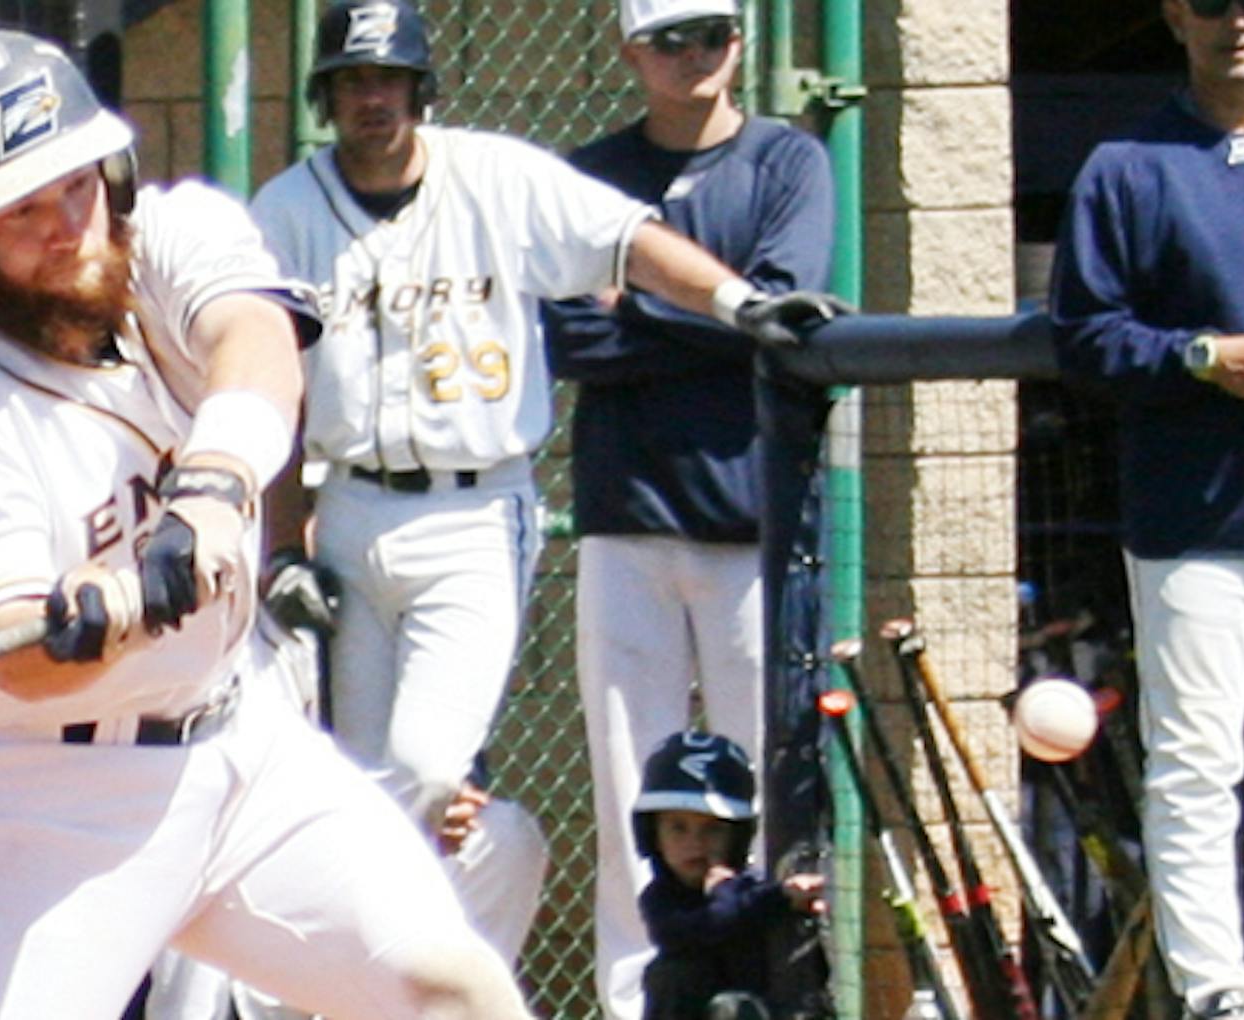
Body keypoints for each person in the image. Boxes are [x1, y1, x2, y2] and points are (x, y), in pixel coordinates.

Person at [0, 28, 535, 1020]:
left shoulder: (166, 234)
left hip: (245, 749)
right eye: (22, 210)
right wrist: (95, 616)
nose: (69, 225)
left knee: (451, 991)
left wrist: (214, 487)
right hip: (51, 800)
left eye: (76, 183)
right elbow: (9, 660)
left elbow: (254, 337)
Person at [246, 0, 846, 964]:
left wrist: (739, 303)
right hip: (351, 501)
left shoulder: (493, 174)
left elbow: (631, 248)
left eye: (390, 79)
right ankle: (394, 984)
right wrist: (282, 541)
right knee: (366, 788)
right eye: (354, 81)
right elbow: (269, 384)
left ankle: (429, 975)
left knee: (427, 766)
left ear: (421, 88)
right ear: (326, 95)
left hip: (475, 504)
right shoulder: (285, 209)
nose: (373, 98)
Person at [536, 0, 835, 1013]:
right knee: (631, 786)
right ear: (628, 50)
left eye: (709, 33)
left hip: (750, 523)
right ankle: (639, 1000)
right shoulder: (587, 173)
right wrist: (719, 307)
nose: (692, 56)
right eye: (668, 39)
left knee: (767, 782)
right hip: (624, 516)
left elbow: (783, 308)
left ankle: (770, 989)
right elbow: (569, 336)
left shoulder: (787, 162)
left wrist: (642, 308)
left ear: (738, 40)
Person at [1046, 0, 1244, 1013]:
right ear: (1175, 14)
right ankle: (1217, 996)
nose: (1236, 19)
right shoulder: (1125, 165)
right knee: (1197, 764)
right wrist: (1198, 357)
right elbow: (1082, 335)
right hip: (1192, 523)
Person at [630, 731, 823, 1020]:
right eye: (678, 828)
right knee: (670, 976)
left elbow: (753, 904)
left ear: (738, 836)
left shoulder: (747, 889)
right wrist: (733, 892)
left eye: (713, 829)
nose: (695, 843)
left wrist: (792, 895)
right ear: (652, 834)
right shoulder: (660, 899)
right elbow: (709, 925)